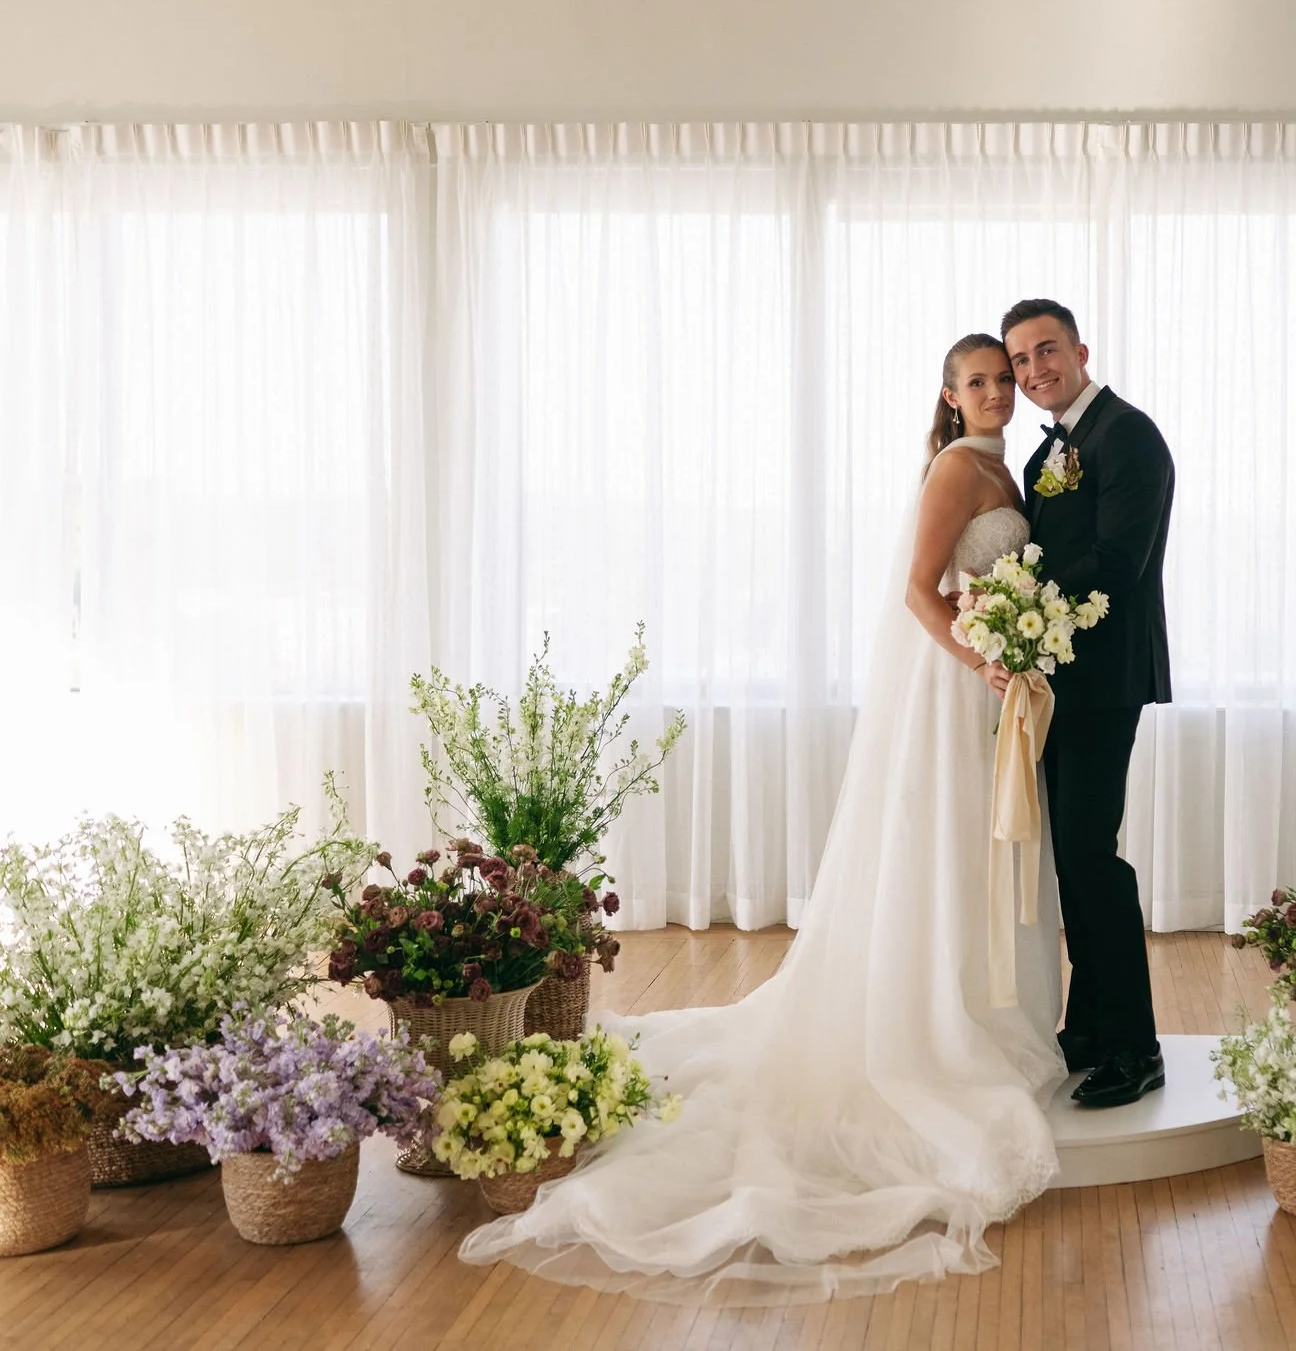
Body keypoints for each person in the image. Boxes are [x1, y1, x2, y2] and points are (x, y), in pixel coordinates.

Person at [458, 333, 1065, 1305]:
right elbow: (917, 592)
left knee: (978, 855)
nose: (996, 393)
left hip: (988, 690)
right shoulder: (957, 469)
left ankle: (979, 999)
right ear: (948, 397)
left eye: (1004, 380)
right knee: (945, 852)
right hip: (956, 690)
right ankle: (934, 1017)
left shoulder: (1006, 465)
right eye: (978, 382)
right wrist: (982, 658)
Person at [1003, 298, 1174, 1109]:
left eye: (1046, 351)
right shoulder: (1063, 444)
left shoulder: (1127, 433)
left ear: (1079, 348)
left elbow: (1117, 559)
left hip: (1105, 680)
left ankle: (1136, 1049)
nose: (1035, 370)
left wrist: (1017, 599)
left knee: (1091, 858)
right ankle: (1089, 1022)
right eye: (1022, 361)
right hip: (1061, 680)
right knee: (1071, 856)